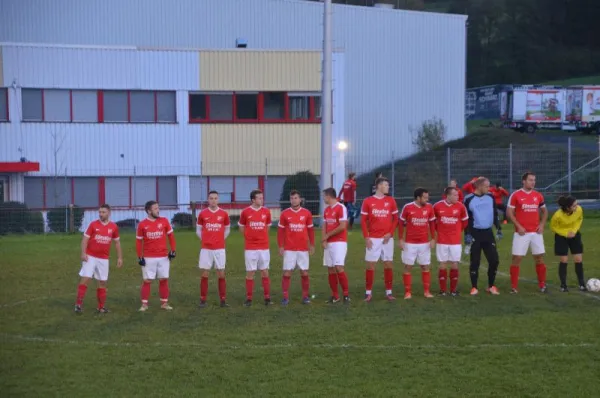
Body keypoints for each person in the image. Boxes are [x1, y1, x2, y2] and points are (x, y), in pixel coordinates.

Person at [75, 204, 123, 314]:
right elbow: (84, 240)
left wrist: (120, 257)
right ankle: (78, 305)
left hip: (104, 259)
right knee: (86, 278)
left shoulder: (114, 227)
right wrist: (83, 253)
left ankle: (101, 307)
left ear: (109, 213)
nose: (101, 214)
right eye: (100, 212)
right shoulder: (93, 225)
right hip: (90, 256)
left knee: (102, 282)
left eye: (103, 212)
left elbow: (117, 242)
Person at [507, 172, 549, 294]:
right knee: (517, 258)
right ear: (523, 181)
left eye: (534, 180)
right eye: (530, 180)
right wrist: (518, 226)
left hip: (536, 233)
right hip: (522, 233)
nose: (533, 182)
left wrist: (542, 225)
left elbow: (544, 211)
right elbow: (509, 212)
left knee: (539, 258)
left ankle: (542, 285)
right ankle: (514, 287)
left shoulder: (538, 195)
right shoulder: (516, 195)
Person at [361, 177, 399, 302]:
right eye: (386, 185)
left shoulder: (391, 201)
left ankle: (389, 292)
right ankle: (368, 293)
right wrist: (366, 237)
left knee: (388, 264)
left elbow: (396, 219)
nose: (388, 187)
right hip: (373, 238)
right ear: (379, 186)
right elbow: (363, 221)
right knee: (371, 265)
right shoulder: (368, 201)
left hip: (387, 239)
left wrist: (390, 233)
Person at [136, 201, 177, 312]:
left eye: (158, 208)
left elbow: (171, 236)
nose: (158, 210)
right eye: (155, 209)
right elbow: (139, 242)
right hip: (149, 257)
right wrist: (140, 257)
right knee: (147, 280)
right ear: (149, 211)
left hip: (163, 257)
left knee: (163, 279)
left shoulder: (164, 221)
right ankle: (144, 304)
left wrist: (173, 250)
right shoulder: (142, 224)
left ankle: (164, 303)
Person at [463, 178, 501, 296]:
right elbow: (466, 218)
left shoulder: (490, 197)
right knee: (475, 261)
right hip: (475, 233)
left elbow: (494, 213)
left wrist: (499, 228)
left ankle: (491, 286)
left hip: (488, 233)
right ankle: (474, 287)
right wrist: (467, 234)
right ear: (479, 186)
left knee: (494, 260)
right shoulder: (468, 199)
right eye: (486, 186)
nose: (489, 189)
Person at [278, 190, 315, 305]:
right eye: (292, 198)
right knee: (287, 273)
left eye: (296, 198)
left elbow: (310, 230)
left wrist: (312, 245)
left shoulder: (306, 213)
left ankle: (305, 296)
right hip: (289, 249)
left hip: (303, 248)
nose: (294, 200)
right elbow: (280, 232)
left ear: (300, 199)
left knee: (304, 273)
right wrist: (281, 246)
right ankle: (285, 297)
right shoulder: (284, 214)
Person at [398, 188, 436, 299]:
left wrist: (433, 238)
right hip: (410, 243)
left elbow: (432, 223)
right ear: (418, 198)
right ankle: (408, 292)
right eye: (425, 197)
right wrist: (400, 239)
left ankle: (427, 292)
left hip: (424, 243)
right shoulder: (408, 207)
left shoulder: (429, 207)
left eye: (427, 197)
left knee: (425, 266)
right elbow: (401, 223)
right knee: (408, 266)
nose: (427, 199)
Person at [197, 191, 231, 308]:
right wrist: (206, 240)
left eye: (215, 198)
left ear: (218, 200)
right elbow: (198, 230)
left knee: (221, 274)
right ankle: (203, 300)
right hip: (206, 249)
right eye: (211, 198)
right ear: (208, 200)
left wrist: (220, 240)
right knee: (205, 274)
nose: (213, 200)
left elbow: (227, 229)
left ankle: (222, 300)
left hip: (219, 249)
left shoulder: (224, 214)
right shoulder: (202, 214)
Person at [239, 189, 273, 306]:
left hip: (264, 247)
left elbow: (268, 227)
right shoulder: (245, 212)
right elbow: (241, 227)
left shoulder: (267, 211)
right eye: (259, 198)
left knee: (264, 271)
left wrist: (261, 237)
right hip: (250, 247)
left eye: (262, 197)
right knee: (250, 272)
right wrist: (249, 238)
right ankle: (249, 299)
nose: (261, 200)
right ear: (253, 200)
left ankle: (267, 298)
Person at [433, 187, 468, 296]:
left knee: (454, 263)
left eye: (457, 195)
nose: (457, 197)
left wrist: (457, 231)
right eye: (454, 195)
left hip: (455, 241)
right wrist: (439, 231)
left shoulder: (461, 206)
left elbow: (465, 221)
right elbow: (432, 222)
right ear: (447, 195)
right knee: (442, 263)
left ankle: (453, 290)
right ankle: (443, 290)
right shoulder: (437, 206)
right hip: (442, 240)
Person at [550, 195, 586, 292]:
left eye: (576, 204)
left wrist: (574, 231)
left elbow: (579, 219)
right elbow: (553, 227)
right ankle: (563, 285)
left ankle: (582, 284)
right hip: (561, 237)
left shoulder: (579, 209)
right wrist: (565, 234)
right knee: (564, 260)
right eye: (574, 205)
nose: (577, 206)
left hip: (575, 235)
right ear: (567, 207)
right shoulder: (557, 215)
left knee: (578, 259)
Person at [322, 187, 351, 304]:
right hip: (329, 243)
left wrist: (328, 235)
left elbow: (342, 226)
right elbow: (324, 225)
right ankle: (335, 295)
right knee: (330, 268)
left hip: (339, 242)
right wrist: (324, 239)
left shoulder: (341, 207)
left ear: (329, 196)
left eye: (324, 196)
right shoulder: (326, 210)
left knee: (339, 267)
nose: (323, 198)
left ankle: (346, 295)